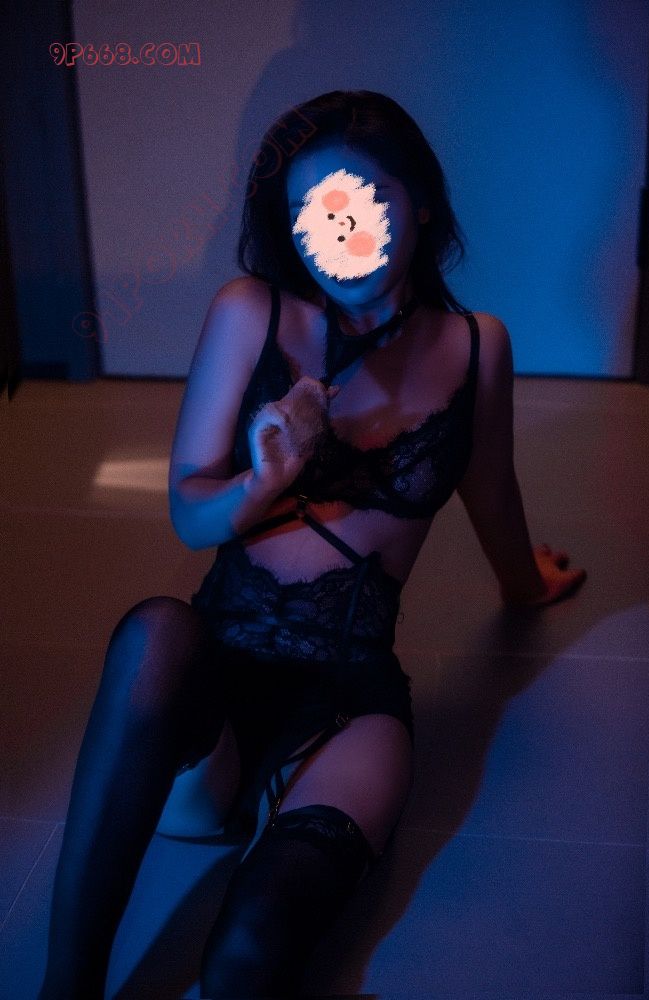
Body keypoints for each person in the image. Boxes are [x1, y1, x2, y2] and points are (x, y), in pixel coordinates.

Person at [38, 89, 587, 999]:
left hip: (350, 697)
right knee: (153, 629)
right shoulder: (249, 311)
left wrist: (527, 584)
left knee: (249, 953)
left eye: (360, 201)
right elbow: (189, 514)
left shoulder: (476, 345)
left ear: (418, 202)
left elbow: (491, 491)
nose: (332, 234)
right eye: (306, 212)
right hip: (211, 686)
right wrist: (262, 481)